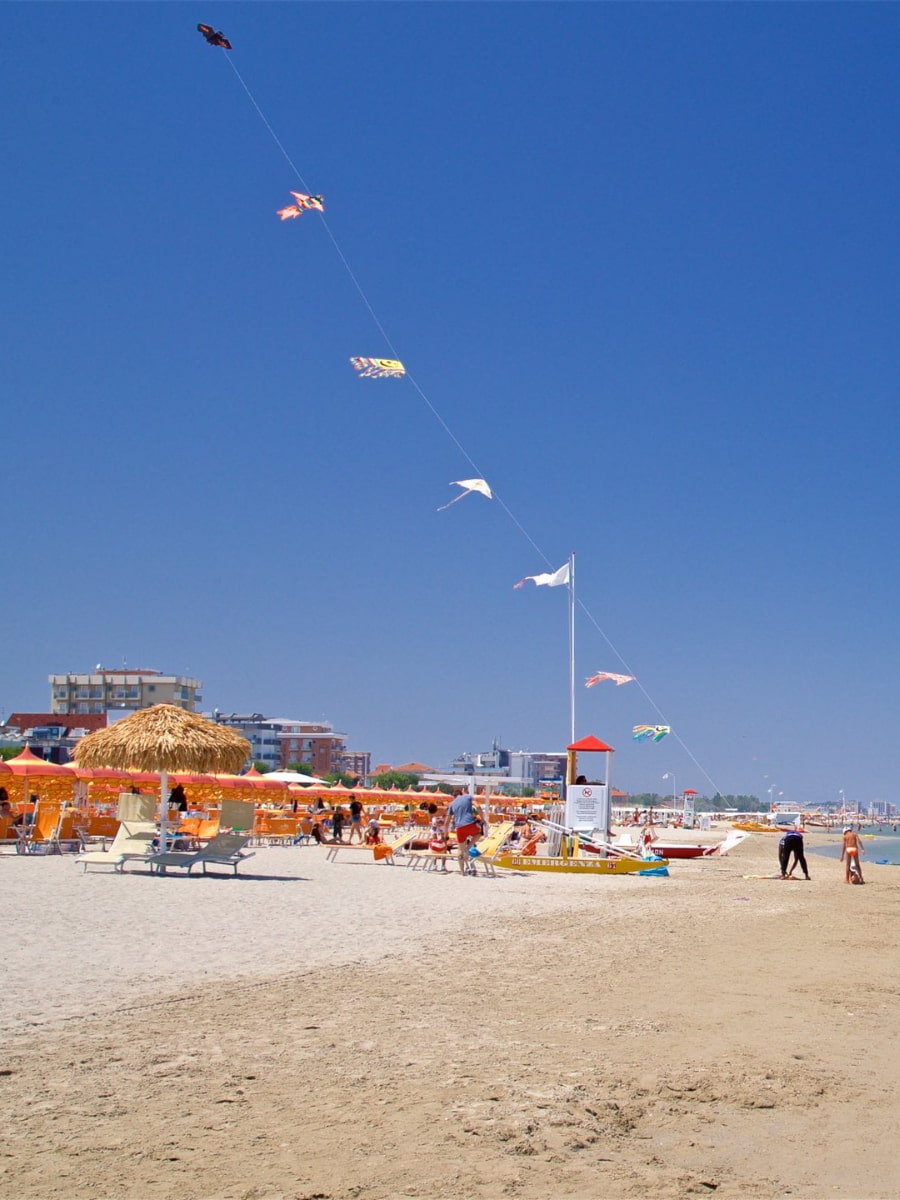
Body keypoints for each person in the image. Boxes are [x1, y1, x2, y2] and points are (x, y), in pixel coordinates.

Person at [443, 788, 483, 876]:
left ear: (454, 797)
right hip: (470, 824)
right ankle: (468, 848)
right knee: (480, 832)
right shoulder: (468, 797)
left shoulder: (452, 804)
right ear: (461, 794)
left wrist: (446, 835)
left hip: (459, 828)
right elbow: (478, 806)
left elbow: (446, 823)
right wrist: (483, 819)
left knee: (460, 849)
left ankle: (462, 872)